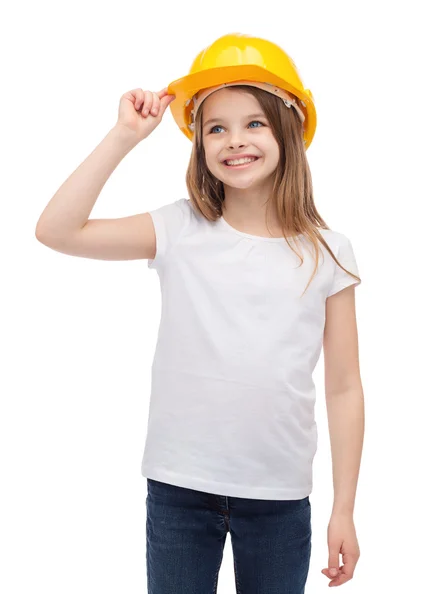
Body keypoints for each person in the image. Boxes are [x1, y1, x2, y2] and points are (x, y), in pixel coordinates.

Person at [35, 33, 364, 593]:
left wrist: (343, 509)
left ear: (289, 129)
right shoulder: (179, 229)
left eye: (254, 123)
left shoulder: (328, 251)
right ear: (199, 142)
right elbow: (56, 231)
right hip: (180, 491)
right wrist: (123, 137)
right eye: (217, 127)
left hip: (280, 497)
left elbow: (344, 388)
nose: (235, 141)